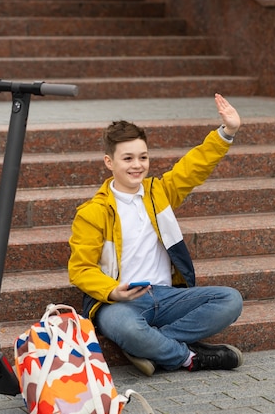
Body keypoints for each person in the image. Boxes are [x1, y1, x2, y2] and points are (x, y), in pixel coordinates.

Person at [68, 94, 244, 376]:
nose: (137, 165)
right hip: (120, 302)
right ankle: (190, 358)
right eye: (127, 158)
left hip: (166, 295)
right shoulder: (92, 212)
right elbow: (80, 269)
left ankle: (152, 345)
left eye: (143, 157)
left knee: (230, 300)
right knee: (125, 327)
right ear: (109, 162)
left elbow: (193, 167)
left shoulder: (158, 193)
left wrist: (227, 132)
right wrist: (112, 291)